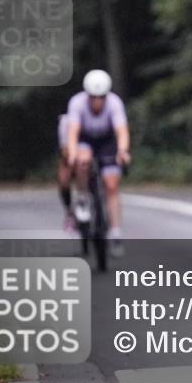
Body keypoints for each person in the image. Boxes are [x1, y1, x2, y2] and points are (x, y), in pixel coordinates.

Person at [66, 69, 131, 257]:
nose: (97, 102)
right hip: (85, 140)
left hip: (107, 142)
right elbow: (73, 132)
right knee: (83, 159)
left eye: (101, 97)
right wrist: (72, 154)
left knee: (111, 185)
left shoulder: (114, 103)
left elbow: (121, 131)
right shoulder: (77, 103)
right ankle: (83, 196)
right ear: (87, 95)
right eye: (93, 97)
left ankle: (116, 232)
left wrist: (123, 151)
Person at [57, 114, 74, 232]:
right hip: (71, 152)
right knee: (63, 179)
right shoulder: (65, 121)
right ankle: (69, 212)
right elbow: (64, 149)